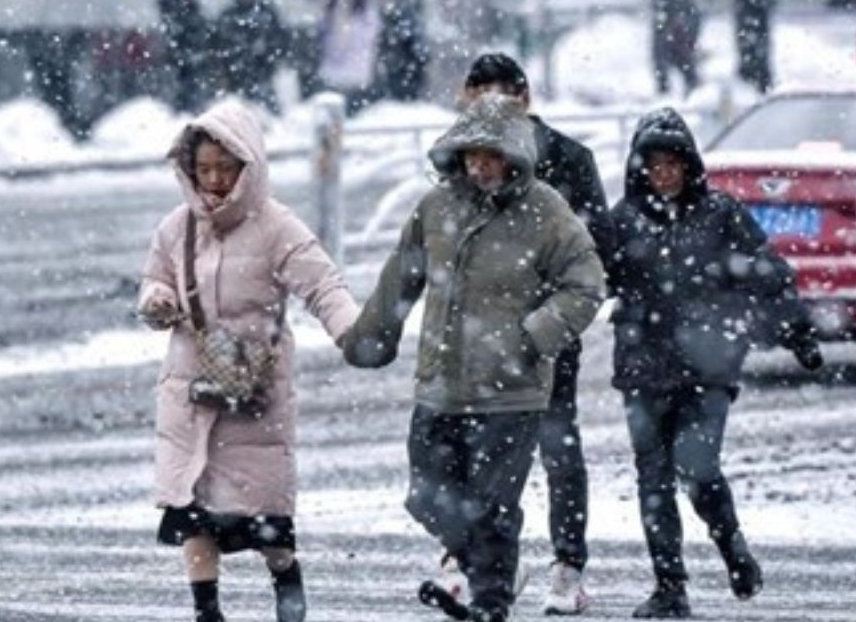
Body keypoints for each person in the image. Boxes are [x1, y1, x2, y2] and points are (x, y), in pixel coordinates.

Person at [342, 94, 607, 622]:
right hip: (441, 383)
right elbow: (401, 276)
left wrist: (532, 336)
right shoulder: (435, 207)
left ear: (514, 157)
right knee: (426, 496)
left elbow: (586, 283)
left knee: (492, 505)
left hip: (511, 391)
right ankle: (494, 567)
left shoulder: (546, 211)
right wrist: (370, 337)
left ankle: (490, 602)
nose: (480, 167)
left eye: (491, 156)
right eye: (471, 155)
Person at [136, 101, 361, 622]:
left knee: (267, 523)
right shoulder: (175, 228)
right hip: (190, 388)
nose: (214, 180)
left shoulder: (277, 226)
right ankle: (207, 612)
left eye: (226, 168)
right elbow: (154, 280)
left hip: (255, 391)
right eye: (204, 168)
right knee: (193, 511)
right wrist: (156, 301)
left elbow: (324, 285)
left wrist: (352, 332)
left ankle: (287, 587)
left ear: (249, 167)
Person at [604, 108, 823, 619]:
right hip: (642, 366)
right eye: (654, 165)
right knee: (653, 479)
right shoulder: (622, 220)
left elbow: (769, 274)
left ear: (689, 165)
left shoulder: (721, 214)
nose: (664, 174)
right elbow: (586, 279)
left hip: (708, 366)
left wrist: (797, 331)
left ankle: (731, 547)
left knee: (698, 469)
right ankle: (669, 587)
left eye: (673, 163)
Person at [459, 53, 610, 615]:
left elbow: (596, 254)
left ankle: (567, 565)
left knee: (557, 449)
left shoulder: (568, 159)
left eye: (499, 97)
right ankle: (493, 561)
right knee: (483, 456)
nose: (489, 109)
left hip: (545, 335)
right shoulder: (462, 162)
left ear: (524, 98)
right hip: (478, 338)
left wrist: (547, 321)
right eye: (478, 97)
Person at [214, 0, 287, 111]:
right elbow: (218, 44)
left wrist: (270, 58)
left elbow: (279, 40)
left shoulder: (267, 13)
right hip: (234, 77)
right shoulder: (228, 15)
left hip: (262, 74)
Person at [160, 0, 211, 112]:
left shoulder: (189, 4)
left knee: (189, 85)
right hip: (181, 54)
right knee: (183, 85)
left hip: (186, 53)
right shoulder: (174, 4)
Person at [649, 0, 705, 96]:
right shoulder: (682, 6)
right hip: (672, 45)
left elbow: (691, 35)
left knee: (689, 75)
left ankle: (690, 92)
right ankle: (667, 93)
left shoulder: (693, 11)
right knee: (667, 72)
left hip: (679, 46)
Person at [733, 0, 775, 93]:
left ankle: (757, 87)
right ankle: (760, 89)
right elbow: (758, 1)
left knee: (752, 61)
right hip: (753, 29)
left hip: (751, 29)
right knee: (756, 62)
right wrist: (769, 1)